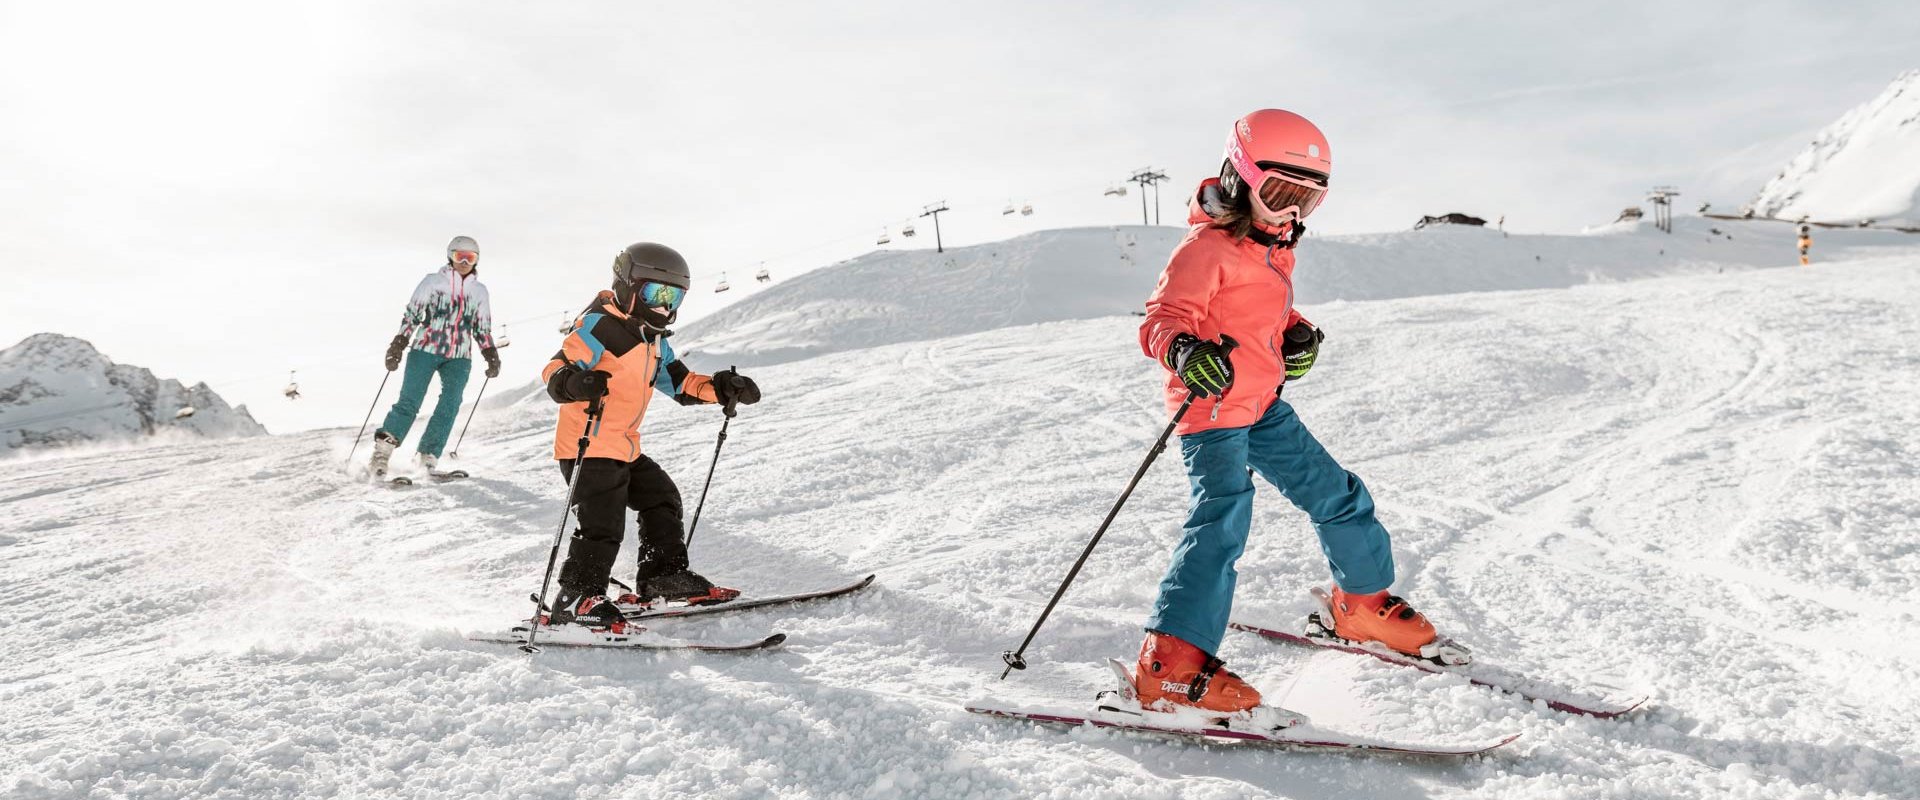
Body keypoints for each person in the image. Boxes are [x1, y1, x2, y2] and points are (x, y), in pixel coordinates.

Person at [1131, 109, 1456, 718]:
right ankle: (1166, 666)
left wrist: (1298, 333)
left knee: (1339, 495)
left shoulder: (1275, 250)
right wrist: (1182, 349)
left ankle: (1359, 605)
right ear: (1239, 177)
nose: (1292, 213)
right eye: (1280, 194)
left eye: (1308, 200)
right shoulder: (1205, 247)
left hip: (1265, 406)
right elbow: (1160, 318)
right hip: (1213, 409)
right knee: (1222, 518)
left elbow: (1266, 318)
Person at [538, 242, 761, 628]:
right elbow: (555, 369)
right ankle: (577, 597)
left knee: (661, 498)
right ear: (628, 285)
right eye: (655, 293)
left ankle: (661, 576)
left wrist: (723, 388)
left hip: (623, 446)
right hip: (586, 446)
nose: (663, 306)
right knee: (603, 523)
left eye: (672, 296)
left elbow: (680, 383)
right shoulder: (600, 325)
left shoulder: (653, 339)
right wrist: (576, 383)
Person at [369, 236, 500, 477]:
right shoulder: (432, 283)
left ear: (476, 261)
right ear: (450, 256)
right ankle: (382, 452)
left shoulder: (479, 291)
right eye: (459, 255)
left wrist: (490, 353)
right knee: (410, 401)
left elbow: (482, 327)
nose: (463, 261)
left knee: (450, 403)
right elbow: (412, 315)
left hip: (459, 355)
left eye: (470, 258)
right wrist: (399, 343)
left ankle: (428, 455)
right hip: (425, 349)